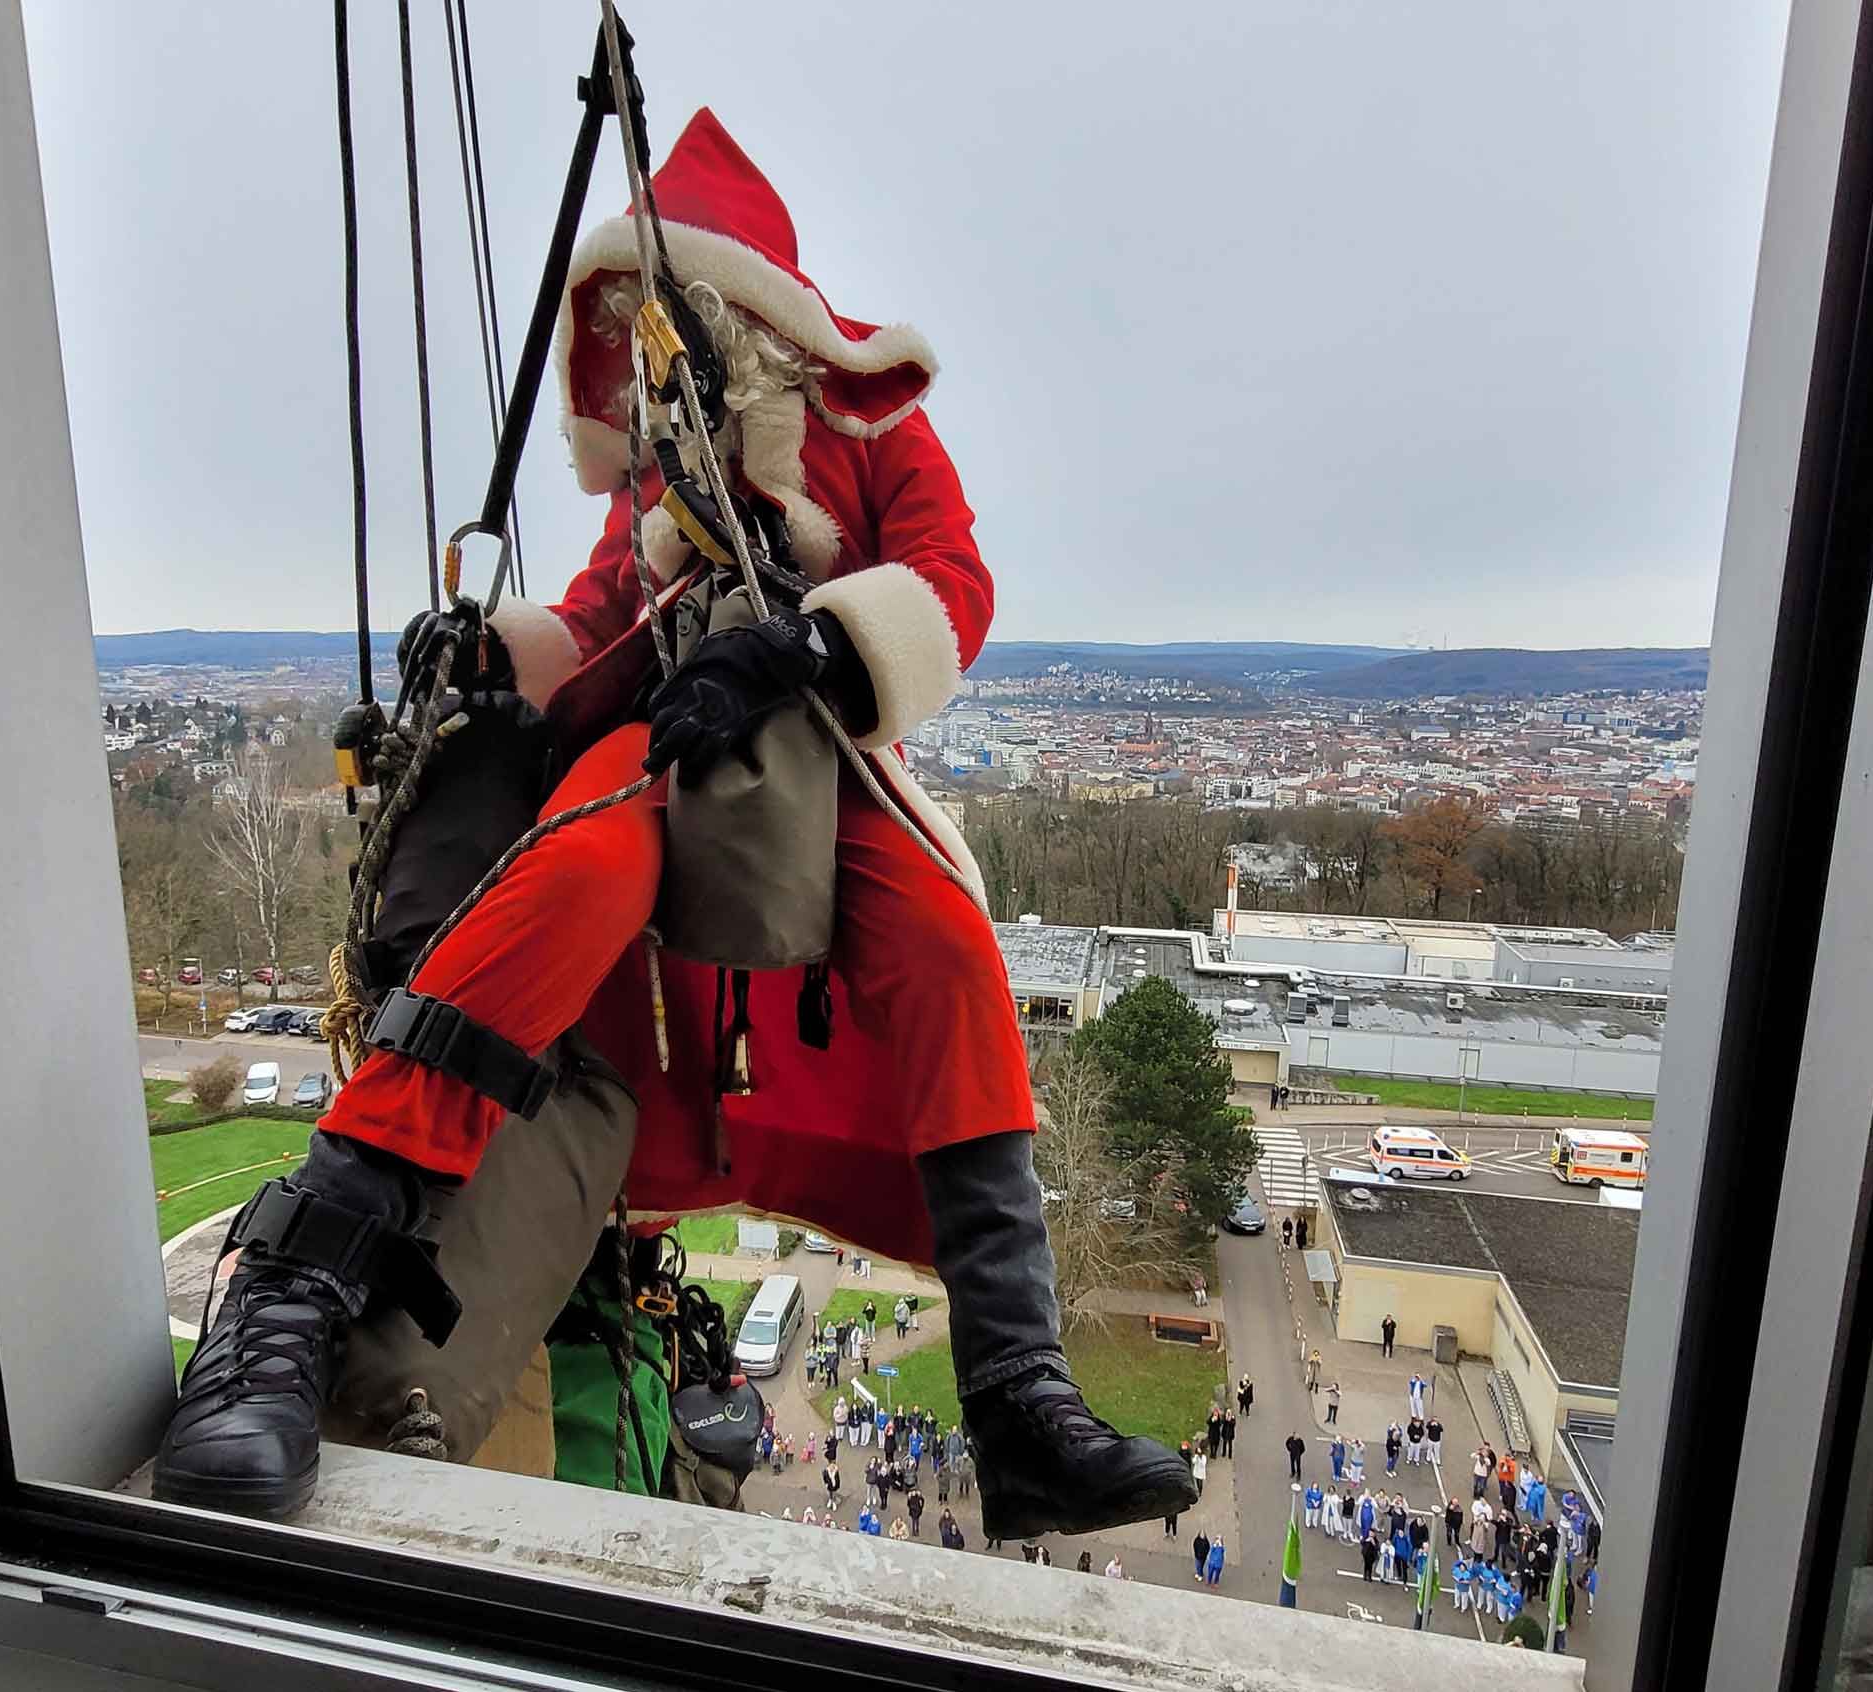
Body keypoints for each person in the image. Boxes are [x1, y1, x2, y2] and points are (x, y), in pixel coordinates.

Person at [152, 111, 1194, 1534]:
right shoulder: (656, 471)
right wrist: (490, 661)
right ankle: (291, 1288)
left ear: (737, 311)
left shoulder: (867, 430)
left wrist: (816, 650)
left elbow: (948, 579)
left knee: (949, 955)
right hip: (659, 743)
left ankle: (1016, 1395)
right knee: (577, 876)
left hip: (817, 752)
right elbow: (593, 624)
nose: (648, 349)